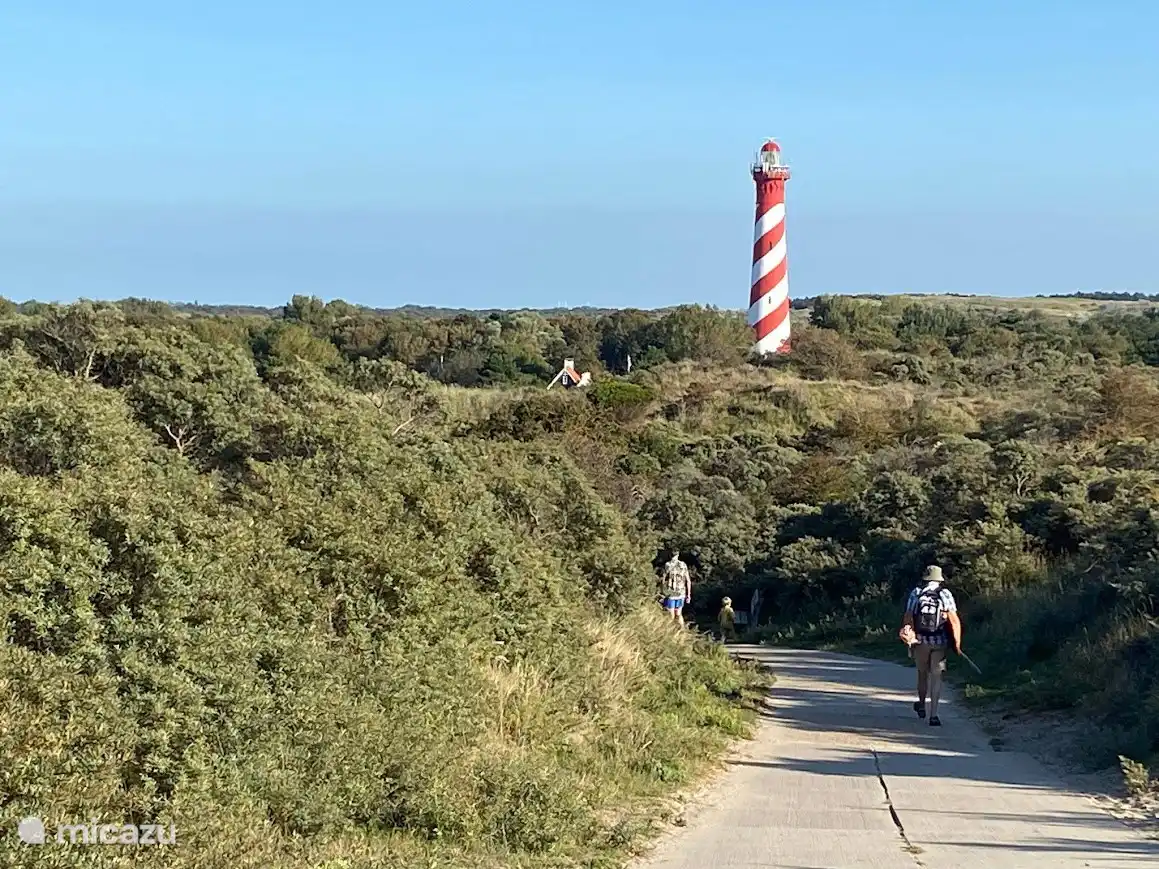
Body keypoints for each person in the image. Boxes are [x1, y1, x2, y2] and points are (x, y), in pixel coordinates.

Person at [900, 565, 961, 727]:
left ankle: (921, 705)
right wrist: (957, 644)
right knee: (936, 677)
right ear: (939, 578)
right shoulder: (945, 594)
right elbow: (954, 620)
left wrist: (909, 636)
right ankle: (934, 715)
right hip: (940, 641)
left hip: (920, 641)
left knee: (922, 674)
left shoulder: (916, 593)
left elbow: (908, 617)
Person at [659, 551, 692, 624]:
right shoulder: (683, 565)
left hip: (671, 593)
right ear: (678, 555)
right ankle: (682, 629)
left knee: (671, 615)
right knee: (679, 614)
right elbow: (688, 581)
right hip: (681, 592)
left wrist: (662, 593)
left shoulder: (668, 564)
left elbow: (663, 579)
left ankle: (671, 629)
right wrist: (688, 595)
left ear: (670, 555)